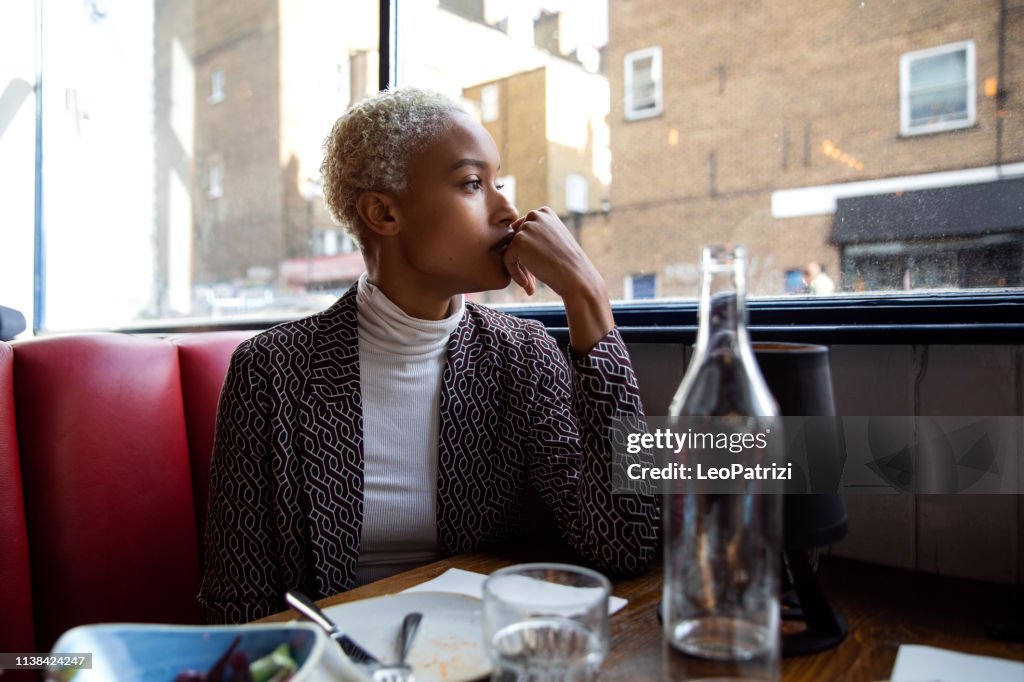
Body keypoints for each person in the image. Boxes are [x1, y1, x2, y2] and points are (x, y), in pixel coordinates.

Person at [198, 87, 660, 624]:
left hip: (477, 648)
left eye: (498, 181)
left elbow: (625, 542)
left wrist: (588, 297)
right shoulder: (272, 371)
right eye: (472, 184)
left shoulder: (523, 356)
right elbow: (238, 601)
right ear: (383, 213)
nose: (509, 210)